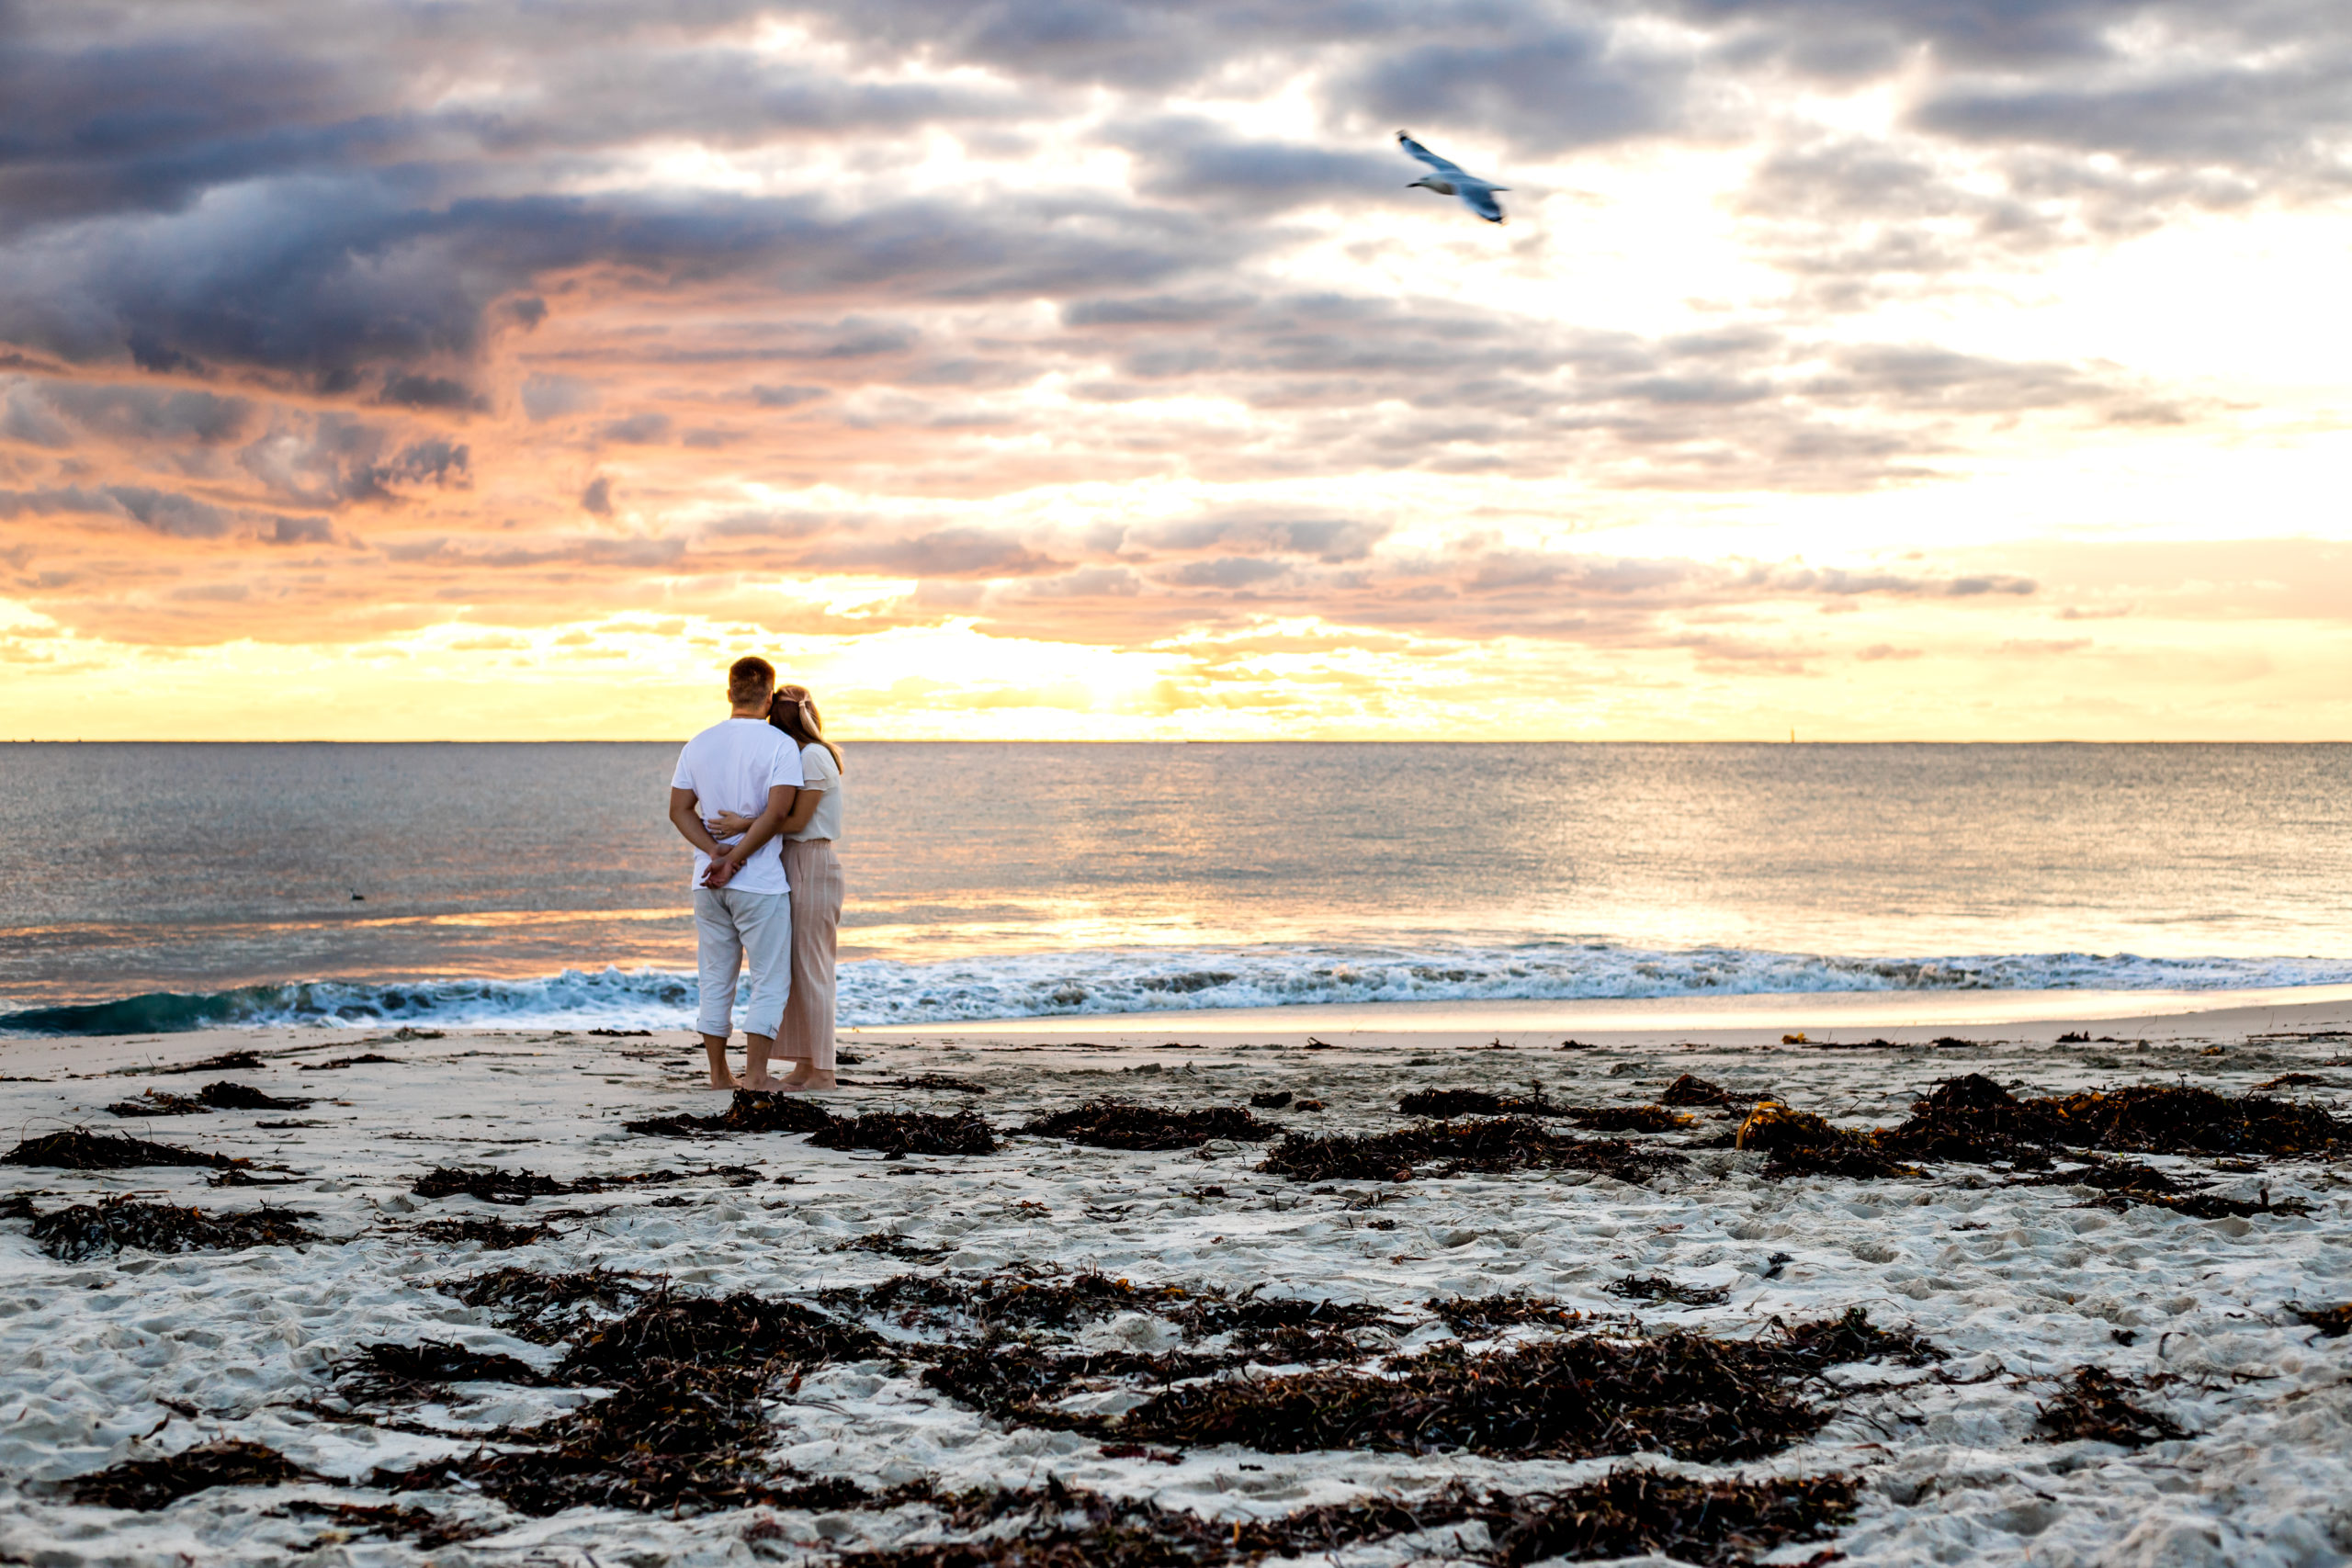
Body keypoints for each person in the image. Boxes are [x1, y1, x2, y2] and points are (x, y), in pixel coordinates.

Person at [667, 656, 804, 1089]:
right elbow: (779, 812)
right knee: (769, 978)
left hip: (707, 882)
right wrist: (738, 858)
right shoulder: (780, 744)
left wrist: (715, 853)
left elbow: (679, 811)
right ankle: (757, 1075)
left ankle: (719, 1075)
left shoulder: (697, 744)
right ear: (769, 697)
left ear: (729, 694)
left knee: (715, 976)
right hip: (759, 884)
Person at [707, 683, 843, 1092]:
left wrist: (742, 826)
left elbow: (799, 821)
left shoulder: (815, 756)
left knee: (813, 968)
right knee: (796, 970)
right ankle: (805, 1065)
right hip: (791, 861)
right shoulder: (796, 756)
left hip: (811, 861)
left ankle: (823, 1071)